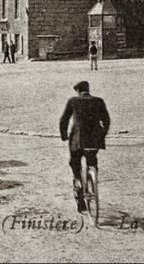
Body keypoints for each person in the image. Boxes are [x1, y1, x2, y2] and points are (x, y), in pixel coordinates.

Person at [59, 80, 110, 213]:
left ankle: (79, 187)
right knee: (92, 160)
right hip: (94, 140)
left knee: (74, 162)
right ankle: (92, 180)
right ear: (88, 89)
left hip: (78, 140)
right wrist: (101, 135)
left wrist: (64, 135)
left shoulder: (73, 101)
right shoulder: (99, 101)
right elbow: (106, 121)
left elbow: (63, 120)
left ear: (77, 91)